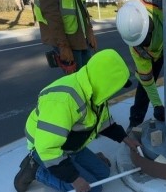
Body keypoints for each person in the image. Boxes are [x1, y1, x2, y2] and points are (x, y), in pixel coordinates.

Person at [13, 49, 141, 192]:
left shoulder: (95, 92)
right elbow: (47, 148)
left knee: (103, 173)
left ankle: (80, 165)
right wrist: (74, 179)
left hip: (71, 145)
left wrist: (126, 139)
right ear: (105, 82)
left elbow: (103, 122)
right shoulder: (64, 100)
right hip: (45, 148)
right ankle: (36, 170)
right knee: (93, 188)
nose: (115, 91)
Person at [116, 0, 164, 131]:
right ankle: (135, 122)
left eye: (144, 39)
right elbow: (147, 81)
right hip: (156, 53)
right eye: (139, 42)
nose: (144, 44)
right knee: (143, 88)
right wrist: (157, 105)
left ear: (149, 25)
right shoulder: (137, 49)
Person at [30, 0, 97, 74]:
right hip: (66, 39)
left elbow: (80, 0)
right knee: (78, 86)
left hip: (82, 36)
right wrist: (63, 45)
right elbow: (49, 8)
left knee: (92, 80)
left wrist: (89, 29)